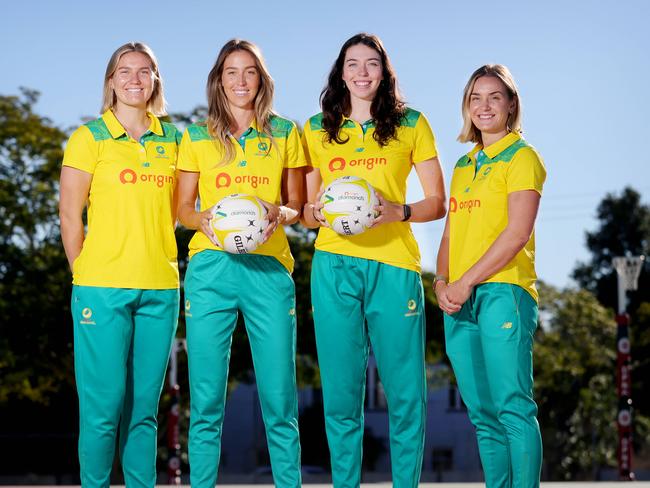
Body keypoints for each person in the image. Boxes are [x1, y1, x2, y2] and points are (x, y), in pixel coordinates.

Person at [302, 33, 446, 488]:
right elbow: (307, 213)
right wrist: (318, 212)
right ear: (340, 72)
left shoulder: (411, 124)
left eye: (371, 64)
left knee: (406, 394)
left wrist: (398, 211)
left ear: (384, 72)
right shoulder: (316, 128)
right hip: (334, 265)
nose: (362, 73)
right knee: (342, 395)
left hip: (395, 266)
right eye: (353, 64)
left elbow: (438, 201)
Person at [176, 39, 304, 488]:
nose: (240, 81)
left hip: (269, 271)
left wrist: (278, 213)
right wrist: (204, 220)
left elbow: (297, 205)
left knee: (279, 397)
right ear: (218, 80)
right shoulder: (195, 135)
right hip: (211, 270)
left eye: (249, 71)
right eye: (231, 72)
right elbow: (184, 211)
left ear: (262, 79)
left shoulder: (286, 132)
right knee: (207, 398)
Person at [59, 42, 180, 487]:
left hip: (161, 288)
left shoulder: (175, 139)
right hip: (101, 288)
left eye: (144, 71)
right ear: (110, 81)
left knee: (144, 410)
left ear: (155, 80)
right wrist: (83, 273)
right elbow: (70, 215)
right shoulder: (88, 138)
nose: (134, 79)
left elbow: (176, 210)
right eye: (124, 71)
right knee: (103, 409)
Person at [434, 64, 546, 488]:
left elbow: (517, 233)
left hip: (504, 290)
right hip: (459, 299)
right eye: (475, 98)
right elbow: (449, 234)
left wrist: (467, 282)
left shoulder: (523, 157)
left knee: (513, 407)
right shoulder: (465, 164)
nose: (484, 106)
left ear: (511, 104)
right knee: (482, 414)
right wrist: (442, 282)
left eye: (494, 97)